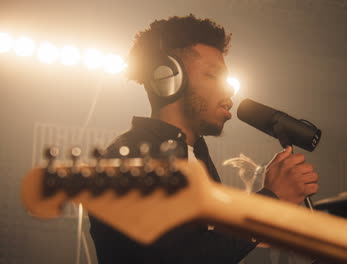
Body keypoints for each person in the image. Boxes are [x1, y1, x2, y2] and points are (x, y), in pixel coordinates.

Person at [89, 14, 319, 264]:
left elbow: (209, 244)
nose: (230, 88)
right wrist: (268, 201)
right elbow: (177, 257)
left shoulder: (196, 155)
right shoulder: (129, 156)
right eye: (212, 75)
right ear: (169, 78)